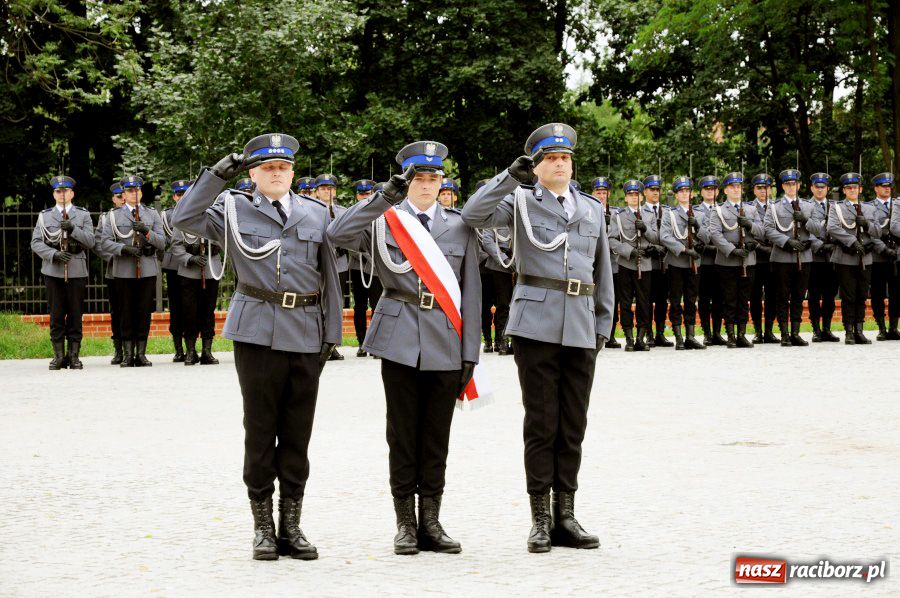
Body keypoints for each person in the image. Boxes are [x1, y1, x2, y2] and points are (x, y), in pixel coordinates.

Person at [172, 133, 342, 561]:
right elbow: (183, 218)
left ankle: (293, 526)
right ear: (252, 174)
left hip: (306, 330)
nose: (276, 174)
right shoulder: (232, 208)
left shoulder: (316, 212)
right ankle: (263, 528)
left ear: (292, 172)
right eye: (267, 168)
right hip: (257, 331)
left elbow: (330, 278)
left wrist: (332, 334)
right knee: (261, 430)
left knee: (298, 434)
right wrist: (214, 176)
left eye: (283, 167)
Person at [462, 123, 614, 554]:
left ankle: (567, 514)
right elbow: (472, 215)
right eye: (550, 158)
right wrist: (510, 177)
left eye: (565, 157)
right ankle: (541, 520)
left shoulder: (592, 209)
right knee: (542, 424)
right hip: (536, 327)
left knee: (572, 427)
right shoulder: (520, 202)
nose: (560, 163)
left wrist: (603, 324)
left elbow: (603, 271)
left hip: (582, 326)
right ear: (538, 165)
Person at [328, 141, 481, 556]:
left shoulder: (459, 225)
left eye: (434, 178)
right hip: (398, 338)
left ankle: (431, 520)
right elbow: (337, 234)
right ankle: (405, 525)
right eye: (419, 178)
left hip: (447, 338)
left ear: (442, 183)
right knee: (401, 434)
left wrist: (471, 353)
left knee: (436, 435)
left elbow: (471, 292)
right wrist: (382, 199)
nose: (427, 185)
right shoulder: (383, 220)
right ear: (407, 181)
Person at [99, 175, 165, 367]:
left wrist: (146, 231)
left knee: (144, 311)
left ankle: (141, 354)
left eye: (136, 190)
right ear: (124, 194)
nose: (133, 193)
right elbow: (104, 242)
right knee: (126, 311)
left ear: (141, 192)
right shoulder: (113, 216)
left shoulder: (152, 214)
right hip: (124, 269)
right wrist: (123, 249)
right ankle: (128, 354)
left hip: (146, 268)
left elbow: (162, 242)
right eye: (129, 191)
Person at [30, 175, 95, 369]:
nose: (62, 194)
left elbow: (91, 241)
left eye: (66, 191)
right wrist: (53, 254)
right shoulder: (45, 216)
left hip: (76, 268)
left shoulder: (83, 215)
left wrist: (73, 229)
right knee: (56, 313)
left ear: (72, 193)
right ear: (54, 194)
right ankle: (58, 356)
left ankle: (74, 356)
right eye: (58, 191)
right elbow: (36, 242)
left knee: (75, 313)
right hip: (53, 269)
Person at [708, 172, 764, 348]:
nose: (735, 189)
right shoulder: (718, 210)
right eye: (732, 186)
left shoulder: (751, 209)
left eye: (738, 186)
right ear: (725, 190)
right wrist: (732, 250)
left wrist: (749, 224)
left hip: (748, 260)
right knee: (729, 299)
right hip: (727, 261)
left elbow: (762, 232)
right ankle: (730, 334)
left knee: (743, 299)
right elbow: (715, 234)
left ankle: (742, 334)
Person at [170, 179, 223, 366]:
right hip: (189, 273)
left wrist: (213, 247)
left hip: (210, 270)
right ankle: (191, 351)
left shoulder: (215, 217)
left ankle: (207, 351)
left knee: (208, 312)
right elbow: (176, 246)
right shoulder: (183, 218)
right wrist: (189, 258)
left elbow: (225, 240)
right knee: (189, 312)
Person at [827, 172, 883, 344]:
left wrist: (866, 224)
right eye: (849, 187)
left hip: (865, 258)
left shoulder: (869, 208)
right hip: (845, 257)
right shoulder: (837, 207)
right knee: (849, 296)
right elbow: (832, 228)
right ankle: (849, 331)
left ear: (860, 189)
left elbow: (878, 232)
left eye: (855, 187)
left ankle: (860, 329)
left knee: (861, 295)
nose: (852, 190)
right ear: (844, 190)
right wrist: (852, 241)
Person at [764, 169, 815, 346]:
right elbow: (768, 229)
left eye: (794, 184)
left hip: (804, 257)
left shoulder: (808, 206)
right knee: (782, 296)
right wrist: (787, 241)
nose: (791, 187)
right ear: (783, 186)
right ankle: (784, 334)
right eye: (787, 184)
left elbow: (819, 229)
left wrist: (805, 220)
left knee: (799, 296)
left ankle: (795, 333)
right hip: (782, 258)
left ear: (799, 185)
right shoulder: (774, 207)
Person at [659, 176, 707, 350]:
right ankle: (678, 336)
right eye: (681, 191)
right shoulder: (669, 214)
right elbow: (664, 236)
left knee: (691, 300)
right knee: (675, 299)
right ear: (676, 195)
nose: (685, 194)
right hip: (677, 262)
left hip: (694, 263)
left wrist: (699, 228)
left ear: (692, 194)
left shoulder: (700, 214)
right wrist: (685, 250)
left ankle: (691, 336)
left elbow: (708, 238)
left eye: (687, 191)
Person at [609, 179, 656, 351]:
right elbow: (612, 240)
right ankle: (629, 338)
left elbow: (656, 238)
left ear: (642, 197)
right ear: (626, 197)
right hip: (626, 264)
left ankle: (641, 338)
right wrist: (628, 251)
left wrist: (645, 229)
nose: (634, 197)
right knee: (626, 302)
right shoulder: (619, 216)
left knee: (644, 302)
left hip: (644, 264)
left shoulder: (649, 216)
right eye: (630, 194)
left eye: (637, 194)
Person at [347, 178, 383, 356]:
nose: (365, 197)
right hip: (357, 265)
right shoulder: (352, 213)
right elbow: (347, 238)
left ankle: (375, 344)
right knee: (359, 306)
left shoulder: (380, 214)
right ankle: (362, 342)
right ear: (357, 196)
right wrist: (366, 255)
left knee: (377, 306)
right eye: (362, 194)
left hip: (377, 268)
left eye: (368, 194)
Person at [315, 173, 349, 359]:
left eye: (330, 188)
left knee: (335, 303)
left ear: (335, 191)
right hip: (318, 265)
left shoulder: (343, 212)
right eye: (323, 188)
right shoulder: (311, 210)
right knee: (318, 303)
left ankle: (332, 343)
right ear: (317, 191)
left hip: (339, 263)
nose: (327, 191)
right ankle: (319, 340)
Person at [806, 172, 840, 342]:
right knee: (814, 295)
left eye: (823, 187)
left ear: (827, 188)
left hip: (832, 257)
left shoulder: (835, 206)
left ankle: (827, 328)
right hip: (815, 257)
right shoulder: (805, 206)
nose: (820, 190)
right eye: (817, 187)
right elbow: (805, 231)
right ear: (812, 188)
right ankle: (816, 329)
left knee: (830, 295)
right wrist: (819, 246)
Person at [95, 182, 127, 364]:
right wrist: (114, 257)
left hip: (134, 270)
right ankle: (119, 349)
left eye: (125, 195)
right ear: (113, 199)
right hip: (114, 270)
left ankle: (134, 349)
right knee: (117, 311)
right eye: (119, 196)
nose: (123, 199)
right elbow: (98, 244)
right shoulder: (106, 218)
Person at [866, 172, 900, 339]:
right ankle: (881, 328)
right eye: (884, 187)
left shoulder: (897, 204)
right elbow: (871, 233)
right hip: (878, 255)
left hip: (897, 255)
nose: (887, 189)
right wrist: (884, 249)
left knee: (897, 292)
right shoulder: (870, 207)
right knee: (878, 293)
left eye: (889, 187)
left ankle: (894, 327)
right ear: (876, 188)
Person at [161, 179, 192, 361]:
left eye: (186, 193)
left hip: (193, 265)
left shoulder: (196, 213)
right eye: (179, 194)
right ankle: (178, 348)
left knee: (191, 307)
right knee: (176, 307)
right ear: (174, 197)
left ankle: (191, 348)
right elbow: (162, 241)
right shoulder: (166, 216)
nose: (182, 197)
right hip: (174, 266)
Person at [693, 175, 726, 345]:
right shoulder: (695, 211)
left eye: (713, 189)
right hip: (704, 260)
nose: (710, 192)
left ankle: (717, 332)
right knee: (704, 298)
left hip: (721, 259)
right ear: (701, 192)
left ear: (718, 191)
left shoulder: (723, 210)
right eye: (707, 189)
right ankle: (706, 332)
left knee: (719, 297)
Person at [640, 175, 671, 347]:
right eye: (652, 190)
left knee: (661, 299)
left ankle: (660, 332)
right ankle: (648, 333)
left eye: (658, 190)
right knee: (647, 299)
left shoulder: (667, 211)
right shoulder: (639, 211)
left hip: (664, 261)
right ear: (645, 192)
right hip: (648, 260)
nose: (655, 193)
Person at [747, 173, 778, 343]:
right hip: (757, 257)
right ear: (754, 190)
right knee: (755, 295)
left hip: (774, 257)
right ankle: (758, 330)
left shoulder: (777, 207)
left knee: (773, 294)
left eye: (766, 187)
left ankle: (769, 330)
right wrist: (759, 247)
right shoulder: (748, 208)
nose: (763, 191)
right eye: (759, 188)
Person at [592, 176, 621, 348]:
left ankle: (609, 334)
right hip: (594, 261)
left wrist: (608, 227)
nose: (601, 196)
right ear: (593, 193)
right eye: (598, 192)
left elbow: (618, 234)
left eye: (604, 193)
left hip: (612, 261)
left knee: (610, 297)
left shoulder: (616, 213)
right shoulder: (588, 209)